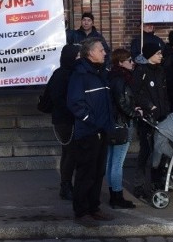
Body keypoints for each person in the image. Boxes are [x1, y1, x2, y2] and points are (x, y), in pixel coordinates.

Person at [67, 38, 114, 226]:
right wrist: (90, 121)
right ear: (90, 53)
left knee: (98, 172)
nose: (104, 53)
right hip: (88, 132)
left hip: (102, 130)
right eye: (101, 50)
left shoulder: (100, 73)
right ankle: (81, 211)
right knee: (86, 173)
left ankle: (94, 207)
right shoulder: (80, 74)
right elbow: (75, 103)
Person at [133, 40, 170, 196]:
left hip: (162, 116)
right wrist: (149, 106)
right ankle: (139, 184)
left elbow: (164, 93)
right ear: (150, 55)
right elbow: (136, 93)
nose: (161, 56)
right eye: (158, 54)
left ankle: (157, 181)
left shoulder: (160, 70)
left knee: (160, 150)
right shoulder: (141, 71)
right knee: (146, 150)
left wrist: (166, 110)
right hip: (148, 117)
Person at [44, 43, 80, 200]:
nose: (80, 59)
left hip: (66, 118)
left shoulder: (70, 72)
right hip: (65, 120)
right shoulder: (62, 74)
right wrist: (73, 111)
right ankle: (66, 185)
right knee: (70, 153)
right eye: (77, 56)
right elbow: (57, 98)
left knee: (69, 153)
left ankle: (66, 184)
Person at [106, 48, 137, 209]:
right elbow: (122, 102)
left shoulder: (112, 77)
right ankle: (117, 195)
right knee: (117, 162)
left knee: (111, 161)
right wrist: (133, 113)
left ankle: (114, 194)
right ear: (120, 62)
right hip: (121, 123)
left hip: (114, 122)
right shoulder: (120, 79)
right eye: (129, 60)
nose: (132, 63)